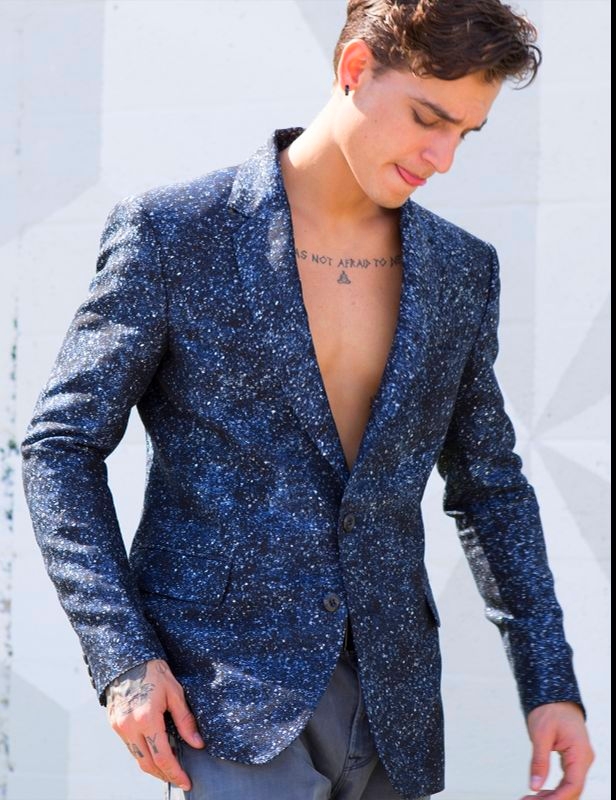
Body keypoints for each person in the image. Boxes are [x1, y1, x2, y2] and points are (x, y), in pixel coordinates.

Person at [21, 1, 594, 799]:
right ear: (355, 70)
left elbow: (489, 485)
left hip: (394, 705)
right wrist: (122, 657)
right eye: (428, 118)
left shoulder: (461, 269)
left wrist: (549, 682)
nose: (442, 158)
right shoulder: (175, 234)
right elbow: (60, 447)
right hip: (225, 700)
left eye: (464, 133)